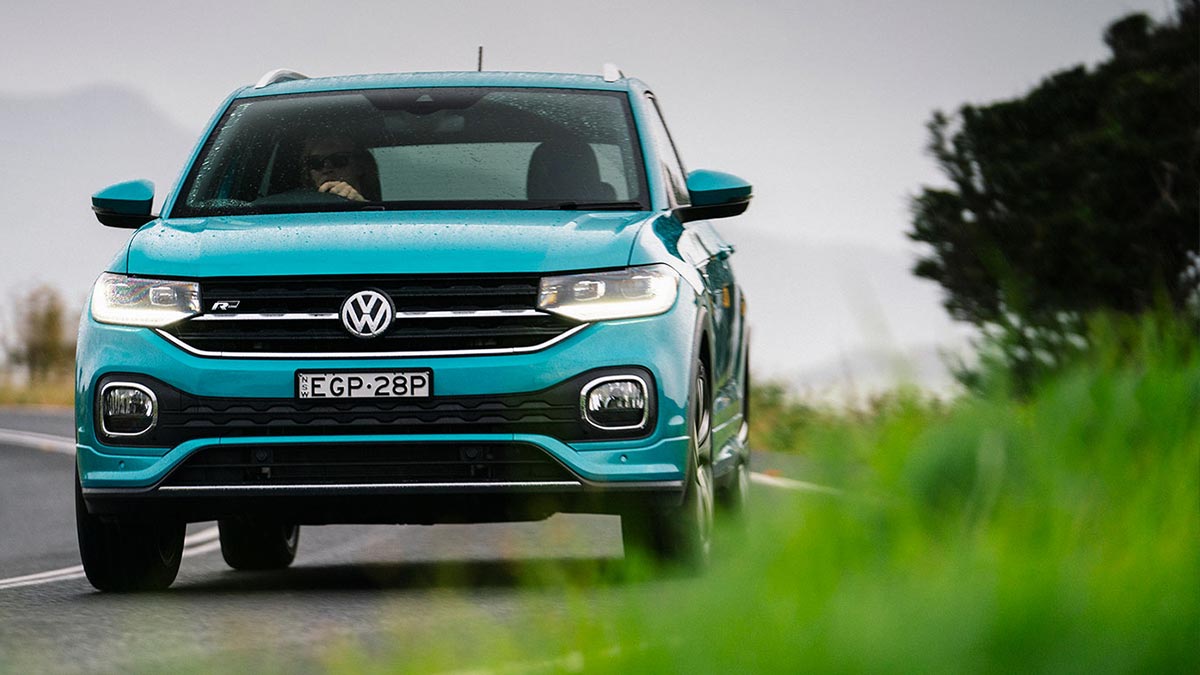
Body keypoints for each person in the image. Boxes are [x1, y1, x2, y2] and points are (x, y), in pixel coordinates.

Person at [301, 134, 380, 202]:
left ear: (359, 166)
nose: (326, 169)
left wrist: (360, 205)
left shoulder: (381, 214)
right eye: (315, 162)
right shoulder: (297, 211)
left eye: (338, 160)